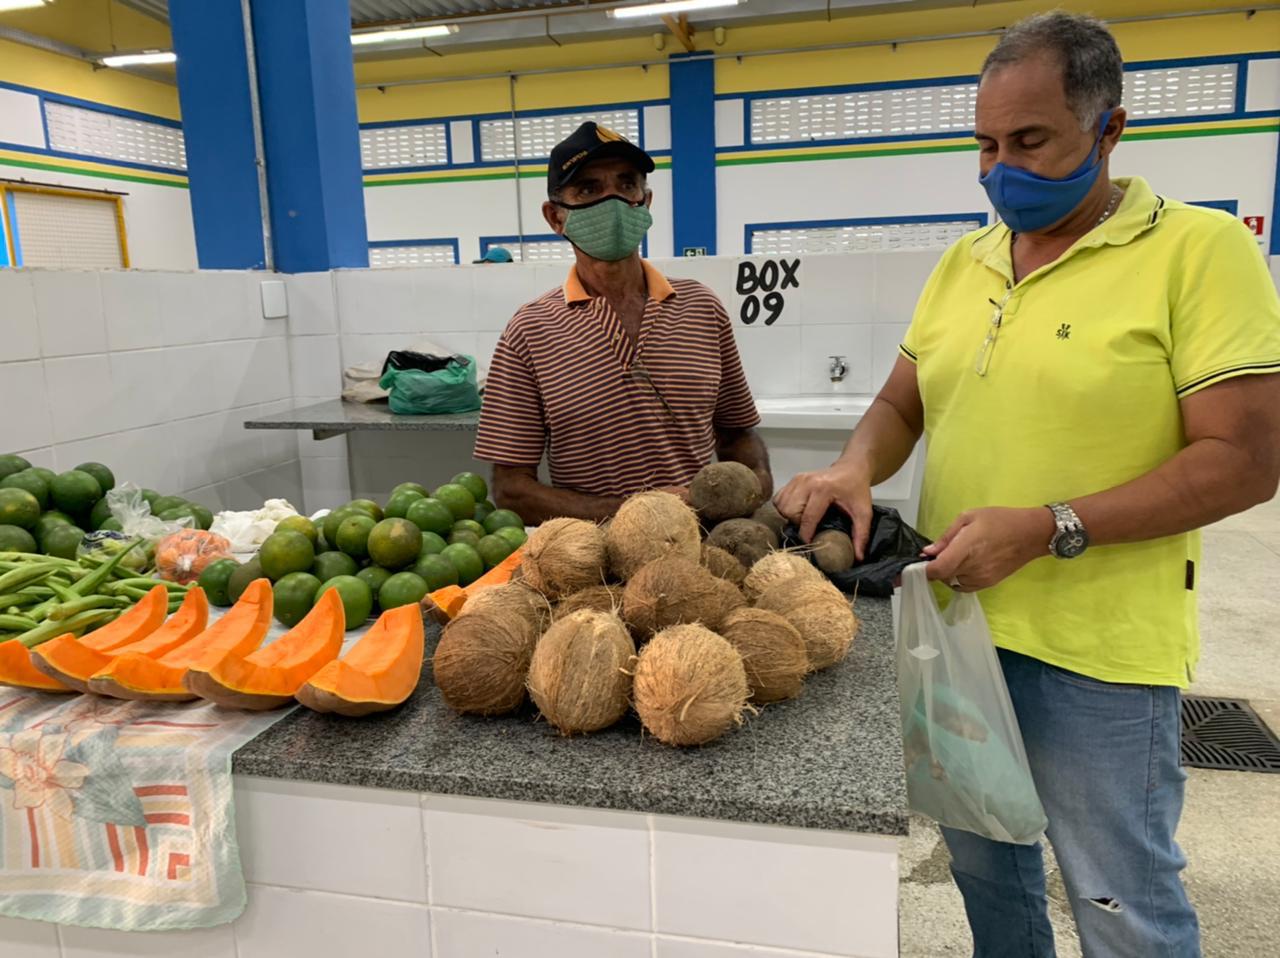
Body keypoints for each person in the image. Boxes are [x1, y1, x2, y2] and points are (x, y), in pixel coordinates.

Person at [775, 12, 1280, 957]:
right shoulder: (963, 261)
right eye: (985, 144)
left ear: (1108, 129)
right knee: (985, 874)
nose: (999, 168)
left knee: (1120, 899)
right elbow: (901, 402)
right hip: (954, 632)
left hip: (1098, 654)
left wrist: (1050, 527)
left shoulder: (1199, 252)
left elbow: (1246, 459)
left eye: (1030, 140)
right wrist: (854, 465)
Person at [475, 122, 771, 523]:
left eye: (626, 184)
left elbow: (738, 434)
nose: (612, 201)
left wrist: (756, 487)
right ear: (555, 217)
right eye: (588, 189)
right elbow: (512, 489)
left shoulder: (702, 307)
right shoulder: (529, 331)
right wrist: (637, 513)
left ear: (645, 202)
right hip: (591, 552)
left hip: (701, 542)